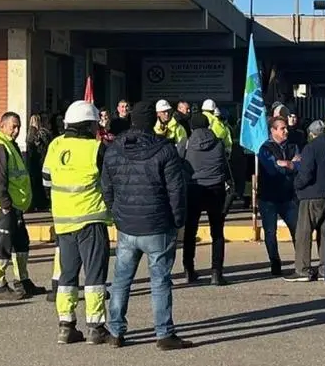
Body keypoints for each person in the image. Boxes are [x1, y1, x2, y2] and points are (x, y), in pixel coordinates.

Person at [101, 101, 193, 348]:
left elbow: (106, 187)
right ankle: (163, 334)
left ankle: (115, 332)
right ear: (154, 121)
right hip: (158, 225)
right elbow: (176, 190)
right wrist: (178, 220)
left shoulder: (113, 149)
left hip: (126, 226)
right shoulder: (165, 150)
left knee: (121, 280)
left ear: (131, 120)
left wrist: (116, 214)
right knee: (160, 280)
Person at [47, 101, 112, 344]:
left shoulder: (55, 145)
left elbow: (46, 180)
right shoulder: (96, 149)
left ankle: (66, 325)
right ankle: (96, 327)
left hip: (63, 221)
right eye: (95, 123)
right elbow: (109, 182)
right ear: (87, 125)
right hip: (90, 218)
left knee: (67, 275)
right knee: (94, 274)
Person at [0, 112, 40, 299]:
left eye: (18, 126)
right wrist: (5, 204)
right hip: (4, 206)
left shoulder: (9, 144)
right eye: (13, 126)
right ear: (2, 125)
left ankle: (22, 280)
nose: (16, 130)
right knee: (3, 245)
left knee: (21, 243)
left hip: (14, 205)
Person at [180, 113, 231, 285]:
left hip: (193, 189)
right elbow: (225, 166)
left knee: (190, 231)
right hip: (216, 189)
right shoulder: (218, 143)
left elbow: (180, 164)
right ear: (208, 125)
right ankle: (216, 272)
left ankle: (189, 269)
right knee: (217, 232)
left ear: (192, 127)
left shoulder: (186, 143)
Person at [255, 115, 298, 277]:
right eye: (282, 128)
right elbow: (272, 169)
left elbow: (300, 165)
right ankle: (275, 263)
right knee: (270, 232)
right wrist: (288, 164)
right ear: (273, 131)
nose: (286, 131)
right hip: (268, 197)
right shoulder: (265, 148)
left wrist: (286, 164)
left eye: (286, 127)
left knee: (297, 229)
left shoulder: (293, 146)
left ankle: (300, 262)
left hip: (288, 196)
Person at [292, 119, 325, 282]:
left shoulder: (311, 147)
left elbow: (306, 174)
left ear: (312, 134)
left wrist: (296, 184)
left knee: (304, 233)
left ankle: (303, 269)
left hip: (310, 196)